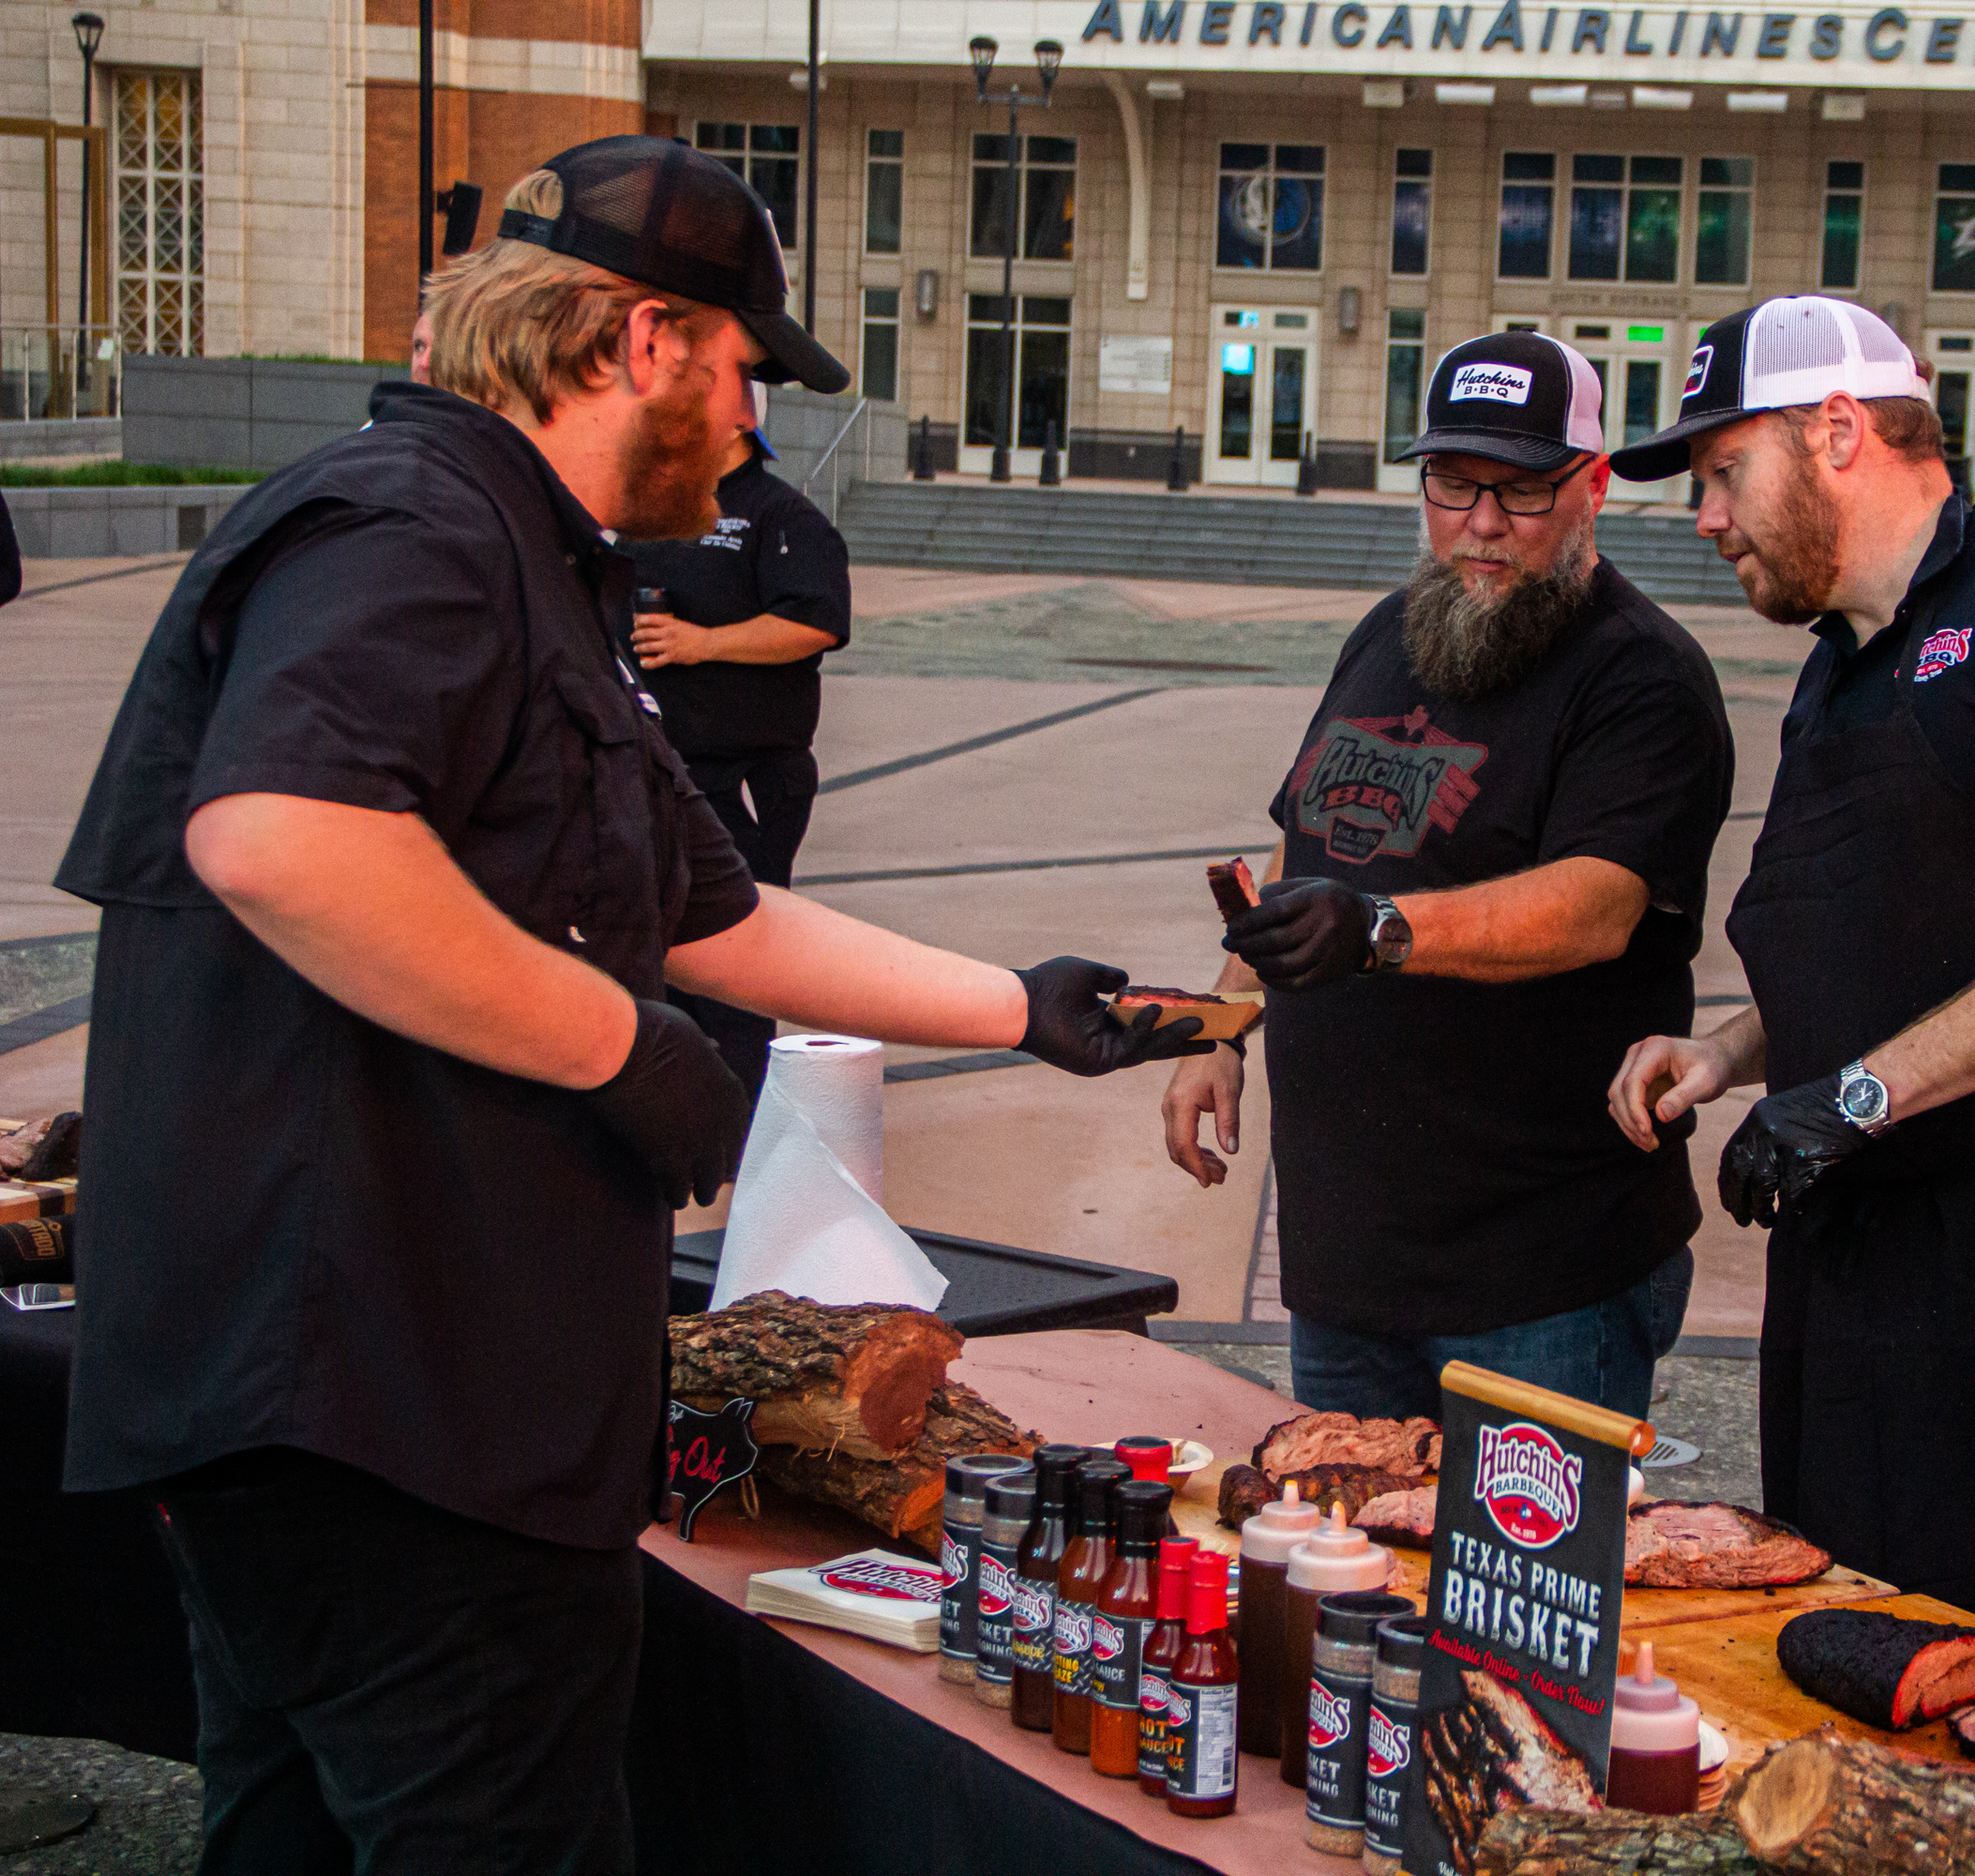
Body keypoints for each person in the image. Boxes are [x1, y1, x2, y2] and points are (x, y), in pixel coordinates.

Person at [52, 136, 1202, 1873]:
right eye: (744, 371)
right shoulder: (416, 526)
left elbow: (706, 912)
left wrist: (1021, 1009)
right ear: (639, 340)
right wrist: (623, 1051)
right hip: (388, 1421)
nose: (753, 424)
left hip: (355, 1410)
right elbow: (280, 837)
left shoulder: (538, 561)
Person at [1602, 297, 1975, 1660]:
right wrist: (1734, 1056)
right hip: (1849, 1258)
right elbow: (1897, 947)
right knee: (1835, 1633)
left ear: (1836, 432)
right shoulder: (1837, 674)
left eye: (1721, 471)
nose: (1705, 517)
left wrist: (1858, 1095)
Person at [1159, 330, 1734, 1420]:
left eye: (1521, 490)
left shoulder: (1641, 673)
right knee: (1354, 1580)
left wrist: (1377, 928)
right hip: (1345, 1263)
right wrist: (1221, 1021)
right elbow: (1307, 841)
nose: (1479, 521)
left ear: (1595, 485)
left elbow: (1597, 906)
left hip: (1541, 1276)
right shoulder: (1390, 630)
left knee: (1512, 1593)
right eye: (1452, 482)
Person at [626, 393, 850, 1097]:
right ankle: (680, 1095)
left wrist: (701, 644)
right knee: (660, 945)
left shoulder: (782, 517)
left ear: (739, 423)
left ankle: (740, 1108)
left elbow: (814, 624)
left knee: (735, 945)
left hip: (749, 777)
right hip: (656, 766)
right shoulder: (656, 509)